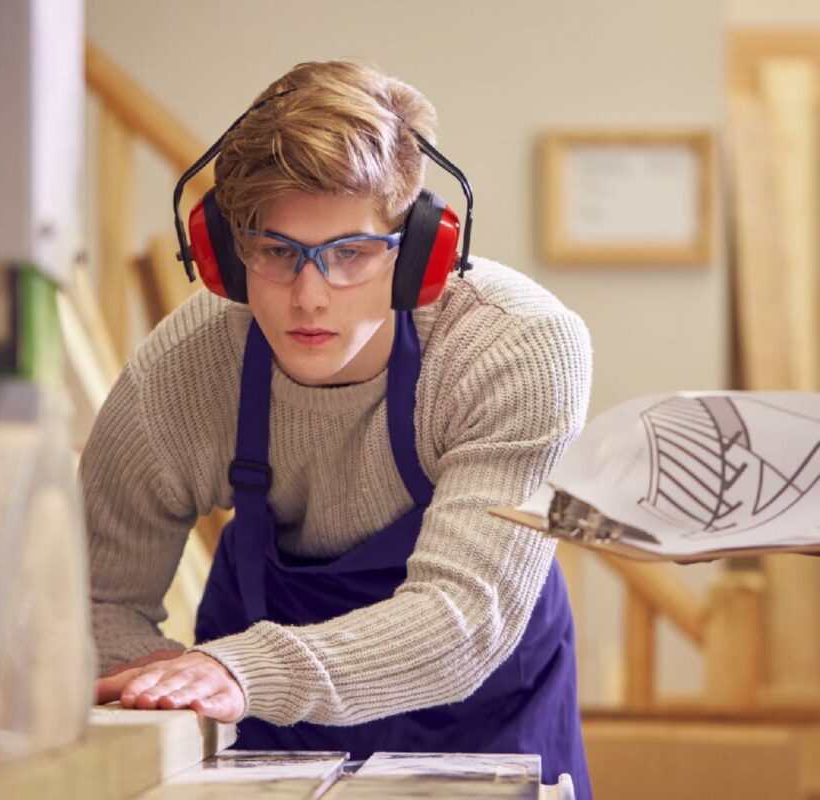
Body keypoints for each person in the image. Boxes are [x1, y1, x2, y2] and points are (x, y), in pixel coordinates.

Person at [84, 59, 593, 796]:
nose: (308, 296)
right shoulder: (187, 370)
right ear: (228, 254)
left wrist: (239, 668)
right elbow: (90, 600)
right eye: (276, 252)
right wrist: (170, 694)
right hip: (259, 728)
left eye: (351, 254)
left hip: (486, 720)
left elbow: (460, 620)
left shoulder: (515, 347)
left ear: (423, 253)